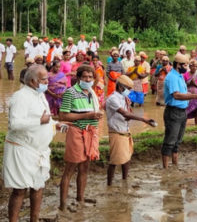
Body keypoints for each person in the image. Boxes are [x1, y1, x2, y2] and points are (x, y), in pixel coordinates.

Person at [3, 65, 68, 222]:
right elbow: (15, 124)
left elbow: (46, 117)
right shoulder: (20, 97)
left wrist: (56, 125)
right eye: (44, 79)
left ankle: (35, 219)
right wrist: (39, 121)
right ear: (33, 81)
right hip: (22, 150)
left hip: (39, 151)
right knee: (19, 190)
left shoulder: (40, 95)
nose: (48, 81)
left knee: (38, 186)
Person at [59, 65, 103, 211]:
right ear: (78, 78)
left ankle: (80, 198)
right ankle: (63, 205)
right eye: (85, 77)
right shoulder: (70, 93)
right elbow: (63, 116)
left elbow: (92, 111)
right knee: (70, 168)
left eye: (90, 77)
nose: (88, 79)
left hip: (91, 131)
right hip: (76, 131)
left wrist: (95, 115)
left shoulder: (92, 92)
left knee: (85, 167)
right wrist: (87, 115)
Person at [106, 75, 155, 185]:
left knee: (127, 158)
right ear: (120, 87)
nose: (129, 91)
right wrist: (143, 119)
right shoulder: (112, 99)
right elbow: (124, 113)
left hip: (125, 131)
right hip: (116, 132)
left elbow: (127, 113)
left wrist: (130, 113)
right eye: (128, 88)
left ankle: (125, 180)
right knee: (114, 161)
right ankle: (109, 184)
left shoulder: (124, 98)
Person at [161, 53, 197, 168]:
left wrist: (192, 95)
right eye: (185, 65)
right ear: (178, 65)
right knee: (170, 140)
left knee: (177, 141)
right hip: (173, 111)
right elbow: (176, 95)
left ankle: (175, 164)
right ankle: (165, 168)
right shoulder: (172, 77)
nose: (186, 68)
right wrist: (194, 96)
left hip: (182, 111)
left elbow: (183, 93)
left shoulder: (180, 76)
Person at [184, 59, 197, 125]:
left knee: (196, 112)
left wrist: (195, 84)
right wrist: (189, 84)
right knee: (186, 111)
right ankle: (184, 127)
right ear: (189, 67)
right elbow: (183, 86)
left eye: (196, 66)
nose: (194, 67)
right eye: (192, 66)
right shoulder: (185, 75)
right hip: (188, 96)